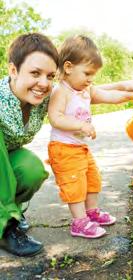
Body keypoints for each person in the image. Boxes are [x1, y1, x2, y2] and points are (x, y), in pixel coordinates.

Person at [48, 35, 133, 239]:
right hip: (63, 148)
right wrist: (80, 125)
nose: (90, 79)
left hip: (79, 148)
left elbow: (110, 96)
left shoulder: (84, 90)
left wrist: (131, 95)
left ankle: (91, 213)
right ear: (68, 67)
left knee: (92, 180)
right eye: (87, 73)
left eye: (93, 75)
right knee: (74, 185)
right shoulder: (62, 91)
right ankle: (79, 222)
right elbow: (55, 118)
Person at [0, 33, 58, 256]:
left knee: (31, 169)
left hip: (7, 160)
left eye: (50, 75)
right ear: (13, 70)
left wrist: (126, 88)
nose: (44, 83)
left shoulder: (45, 95)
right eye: (35, 73)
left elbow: (82, 89)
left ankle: (12, 211)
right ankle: (5, 225)